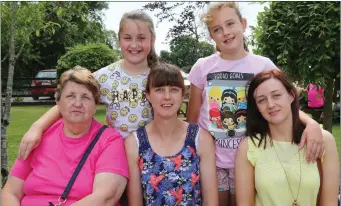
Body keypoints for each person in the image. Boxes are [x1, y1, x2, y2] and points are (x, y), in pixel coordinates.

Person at [186, 2, 324, 206]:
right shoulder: (202, 67)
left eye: (230, 24)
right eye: (217, 29)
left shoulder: (263, 65)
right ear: (211, 35)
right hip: (212, 161)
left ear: (243, 24)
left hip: (252, 157)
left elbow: (285, 101)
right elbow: (192, 118)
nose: (225, 32)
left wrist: (311, 124)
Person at [17, 10, 158, 160]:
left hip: (152, 156)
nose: (134, 45)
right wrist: (36, 128)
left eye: (142, 38)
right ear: (119, 40)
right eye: (127, 38)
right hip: (115, 157)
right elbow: (67, 102)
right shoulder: (105, 76)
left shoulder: (160, 75)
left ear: (152, 39)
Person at [1, 67, 129, 206]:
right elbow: (10, 192)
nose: (77, 104)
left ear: (95, 106)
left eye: (85, 97)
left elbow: (104, 198)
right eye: (70, 96)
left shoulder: (109, 140)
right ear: (58, 102)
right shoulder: (38, 137)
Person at [235, 69, 339, 205]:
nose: (270, 104)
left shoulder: (324, 141)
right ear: (257, 107)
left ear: (291, 96)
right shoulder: (249, 146)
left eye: (276, 95)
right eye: (262, 100)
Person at [125, 63, 219, 205]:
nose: (167, 96)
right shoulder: (134, 143)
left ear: (182, 96)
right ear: (148, 95)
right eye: (159, 89)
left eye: (174, 90)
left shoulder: (201, 139)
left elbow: (211, 202)